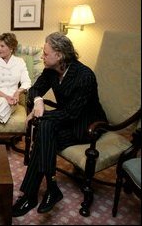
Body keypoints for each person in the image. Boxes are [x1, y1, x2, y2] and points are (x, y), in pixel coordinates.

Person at [12, 32, 107, 217]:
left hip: (86, 125)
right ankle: (51, 187)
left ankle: (30, 195)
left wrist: (39, 117)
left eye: (46, 53)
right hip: (66, 119)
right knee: (45, 130)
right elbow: (34, 89)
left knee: (42, 129)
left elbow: (72, 114)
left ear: (60, 55)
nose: (42, 56)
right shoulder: (51, 70)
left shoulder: (85, 76)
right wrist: (38, 101)